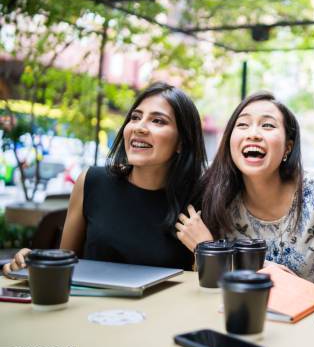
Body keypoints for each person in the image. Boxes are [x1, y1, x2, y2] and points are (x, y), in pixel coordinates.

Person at [3, 82, 206, 275]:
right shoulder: (91, 182)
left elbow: (204, 288)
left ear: (182, 142)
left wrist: (205, 249)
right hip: (89, 310)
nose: (139, 127)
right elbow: (63, 265)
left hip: (164, 311)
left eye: (157, 121)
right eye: (135, 117)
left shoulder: (201, 198)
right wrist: (31, 264)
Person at [175, 91, 314, 282]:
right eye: (242, 124)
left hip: (313, 310)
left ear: (288, 147)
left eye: (268, 125)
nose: (253, 134)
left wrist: (209, 248)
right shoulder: (212, 193)